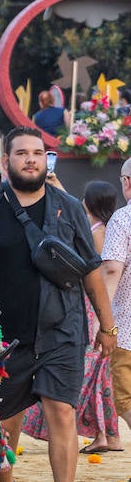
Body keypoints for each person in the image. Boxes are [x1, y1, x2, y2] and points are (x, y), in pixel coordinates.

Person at [0, 126, 115, 482]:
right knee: (7, 418)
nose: (31, 159)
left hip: (63, 329)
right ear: (5, 159)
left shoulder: (68, 207)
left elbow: (91, 269)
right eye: (22, 153)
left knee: (61, 413)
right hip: (5, 333)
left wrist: (108, 326)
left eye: (38, 153)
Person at [23, 180, 123, 452]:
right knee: (96, 376)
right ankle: (106, 435)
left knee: (92, 374)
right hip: (95, 307)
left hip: (94, 308)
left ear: (89, 203)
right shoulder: (100, 227)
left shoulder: (98, 233)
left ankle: (105, 435)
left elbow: (94, 267)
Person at [102, 161, 131, 437]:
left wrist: (102, 320)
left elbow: (111, 268)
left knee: (125, 400)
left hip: (125, 328)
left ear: (127, 182)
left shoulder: (123, 219)